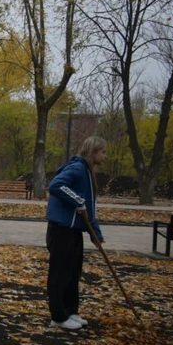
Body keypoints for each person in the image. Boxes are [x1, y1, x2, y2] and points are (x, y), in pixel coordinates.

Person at [45, 136, 107, 331]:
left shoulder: (87, 172)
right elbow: (56, 185)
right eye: (102, 152)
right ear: (93, 152)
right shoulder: (78, 168)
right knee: (60, 274)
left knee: (73, 273)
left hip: (73, 231)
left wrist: (95, 234)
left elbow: (90, 209)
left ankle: (71, 311)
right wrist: (77, 200)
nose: (105, 156)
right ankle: (58, 316)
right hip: (61, 229)